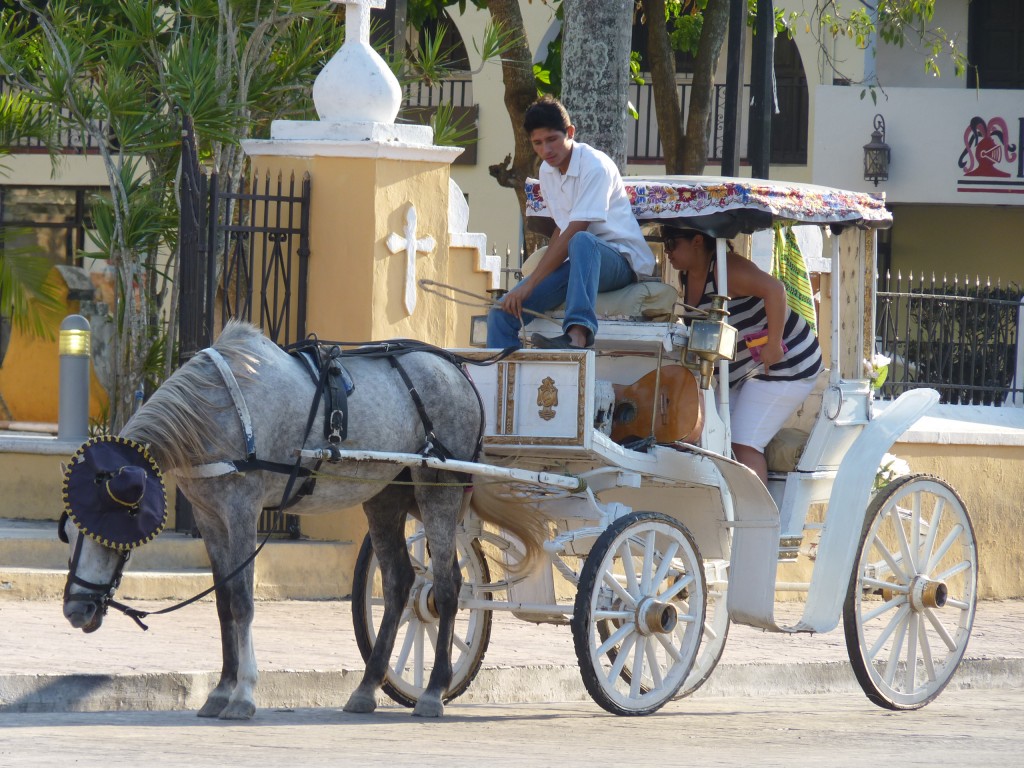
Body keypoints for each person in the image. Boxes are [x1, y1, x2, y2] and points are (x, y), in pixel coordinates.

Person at [486, 96, 655, 350]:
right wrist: (523, 288)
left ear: (571, 133)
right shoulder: (546, 171)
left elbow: (576, 230)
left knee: (582, 241)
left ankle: (578, 335)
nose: (546, 150)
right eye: (538, 143)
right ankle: (504, 387)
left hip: (621, 263)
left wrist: (531, 284)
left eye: (552, 139)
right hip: (579, 261)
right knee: (502, 312)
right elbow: (561, 230)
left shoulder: (595, 166)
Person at [663, 225, 823, 483]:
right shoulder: (686, 277)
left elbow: (776, 290)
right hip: (745, 373)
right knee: (707, 435)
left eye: (671, 243)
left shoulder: (726, 269)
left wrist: (773, 344)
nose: (667, 251)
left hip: (787, 365)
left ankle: (756, 519)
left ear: (696, 241)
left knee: (743, 442)